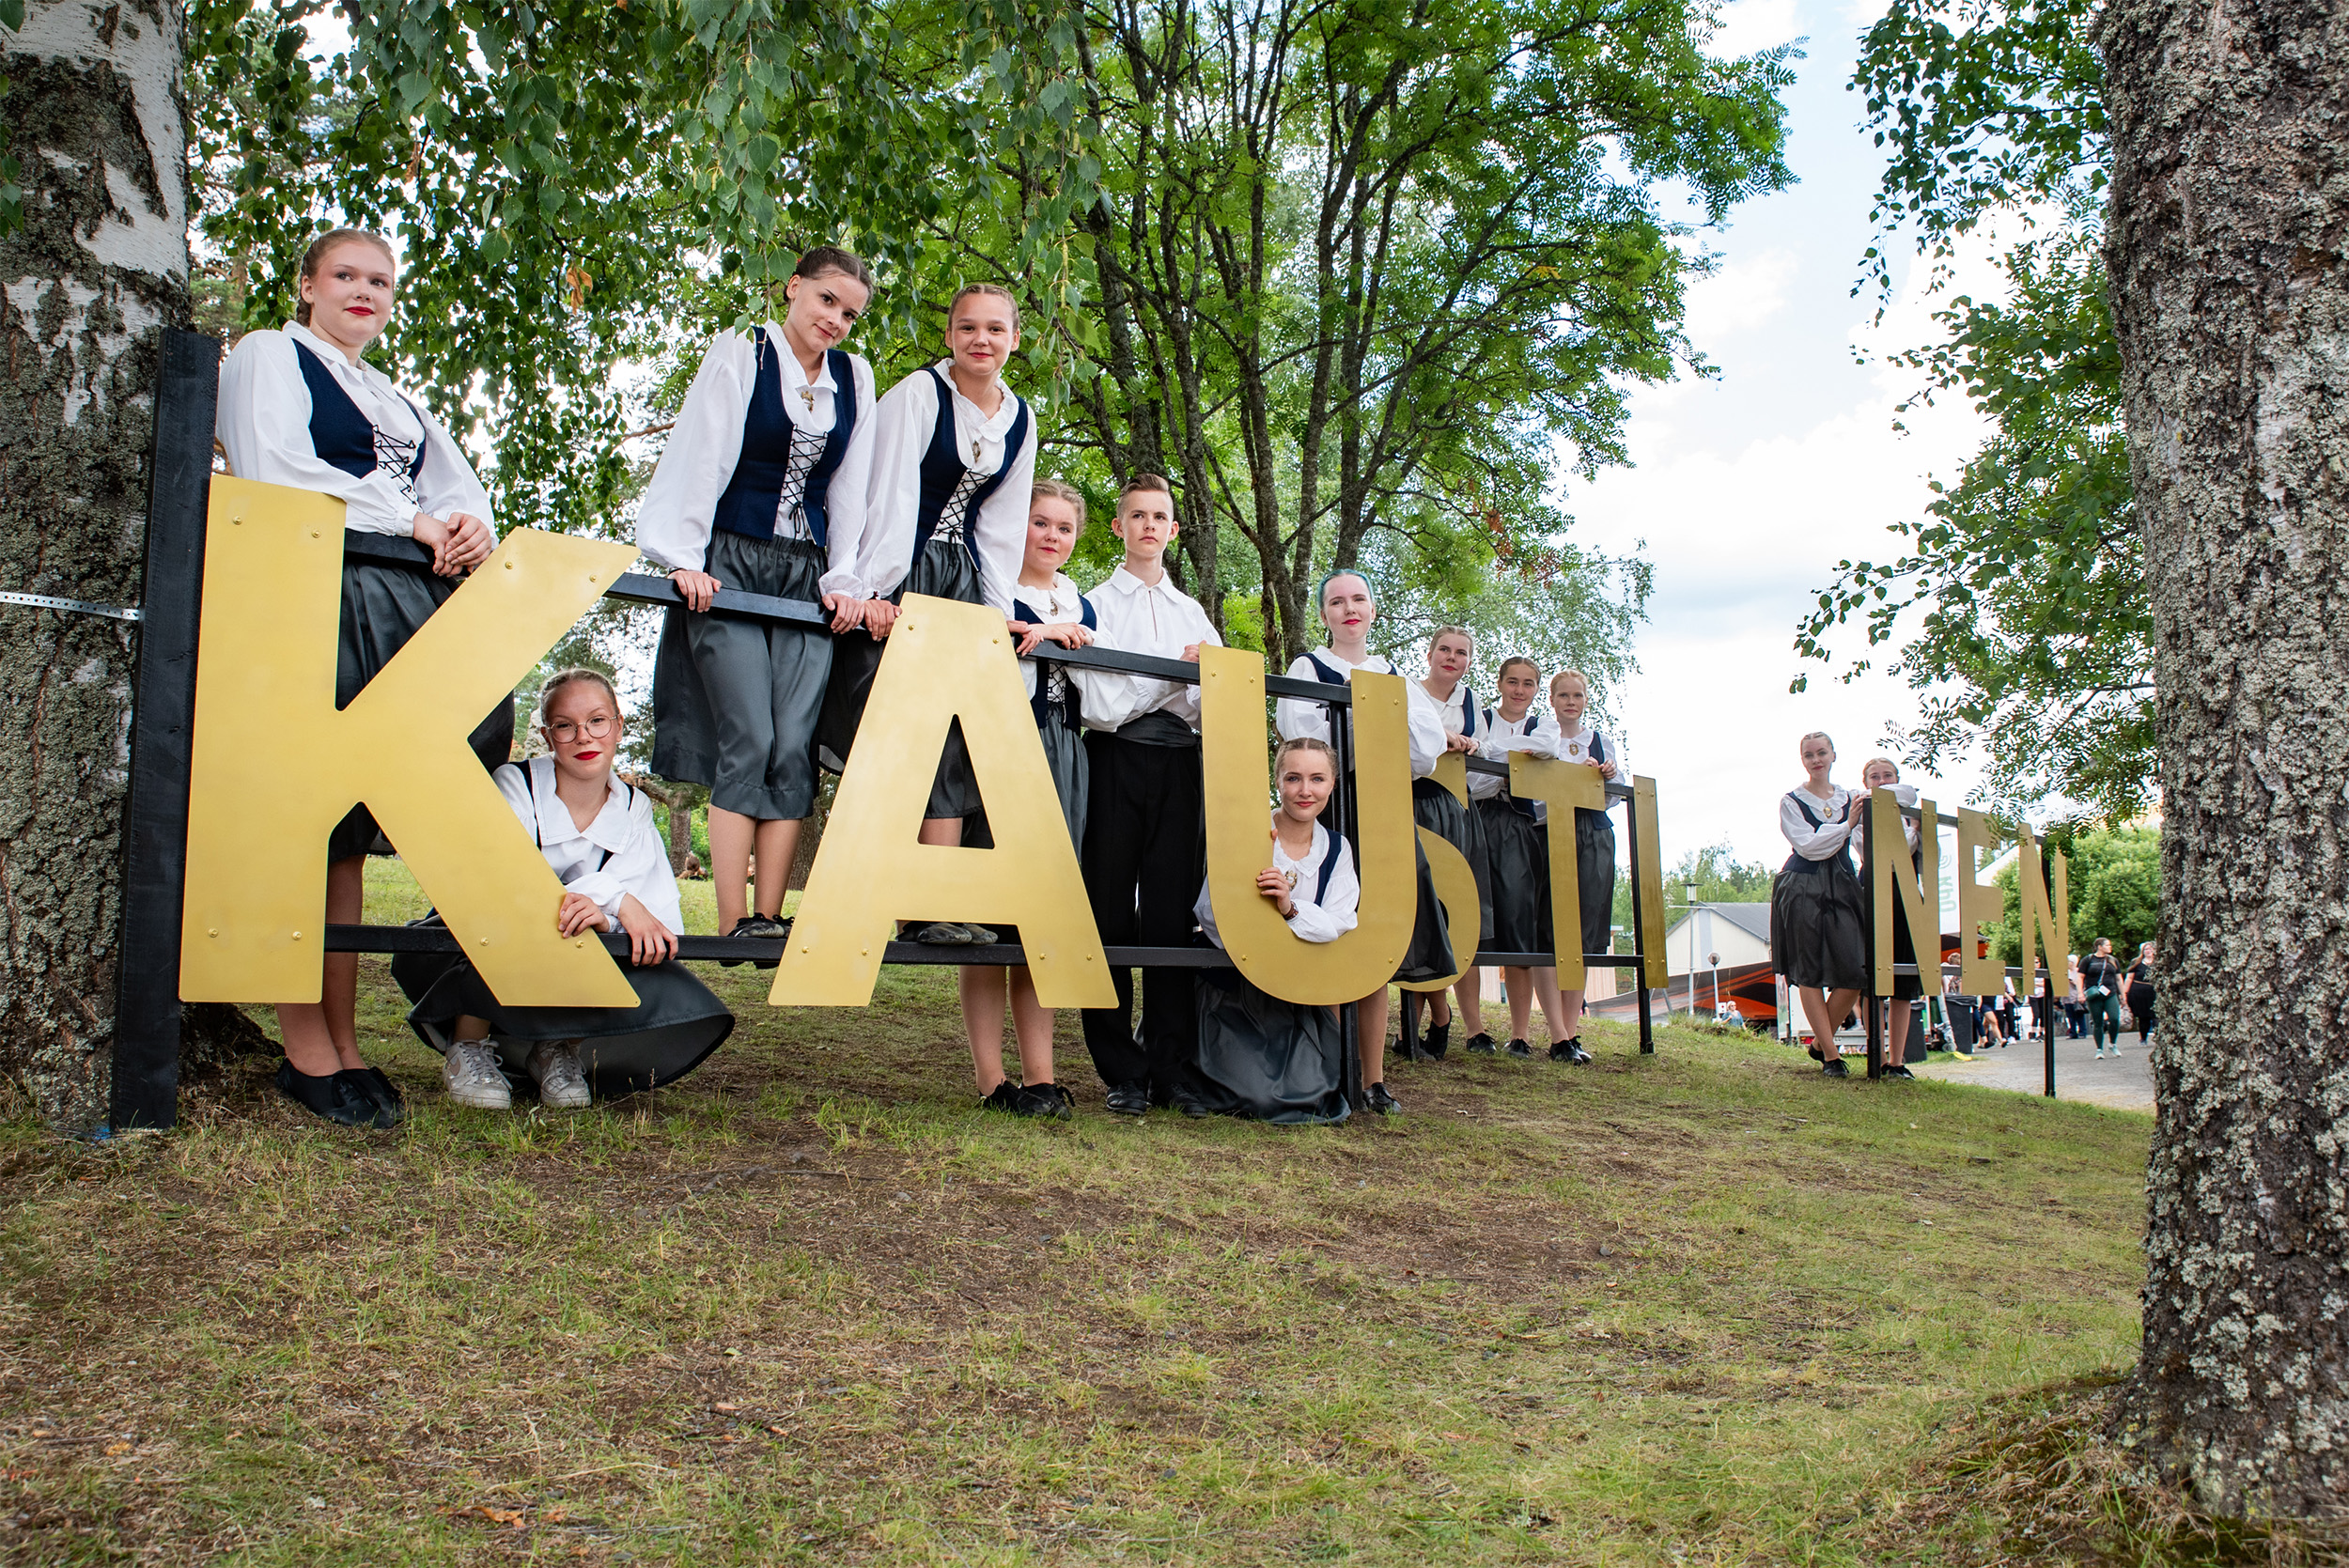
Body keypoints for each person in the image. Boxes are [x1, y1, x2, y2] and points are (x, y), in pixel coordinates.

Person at [215, 227, 510, 1130]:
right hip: (314, 590)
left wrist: (462, 529)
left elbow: (462, 492)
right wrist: (412, 520)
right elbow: (276, 471)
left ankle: (342, 1039)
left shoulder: (394, 399)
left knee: (344, 834)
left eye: (380, 281)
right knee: (304, 817)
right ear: (306, 284)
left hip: (397, 603)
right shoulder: (269, 355)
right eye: (345, 274)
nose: (364, 291)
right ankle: (306, 1045)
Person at [637, 246, 879, 958]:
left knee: (793, 744)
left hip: (805, 572)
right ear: (793, 288)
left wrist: (844, 580)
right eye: (827, 301)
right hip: (732, 559)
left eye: (850, 313)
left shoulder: (855, 378)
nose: (836, 320)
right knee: (751, 733)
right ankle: (731, 916)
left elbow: (850, 490)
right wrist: (686, 558)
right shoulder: (745, 352)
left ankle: (770, 918)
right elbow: (700, 454)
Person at [391, 671, 736, 1108]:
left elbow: (652, 912)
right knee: (505, 923)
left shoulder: (634, 806)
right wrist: (613, 897)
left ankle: (557, 1048)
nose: (584, 737)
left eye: (597, 721)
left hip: (570, 943)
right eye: (565, 726)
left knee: (606, 933)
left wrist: (609, 909)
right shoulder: (516, 784)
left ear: (618, 725)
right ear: (547, 735)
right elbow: (506, 881)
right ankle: (468, 1045)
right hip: (487, 938)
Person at [830, 282, 1037, 945]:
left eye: (995, 329)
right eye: (968, 327)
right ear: (949, 336)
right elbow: (885, 495)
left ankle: (934, 906)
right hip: (906, 567)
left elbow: (1003, 525)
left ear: (1013, 339)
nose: (982, 339)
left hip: (966, 580)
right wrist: (874, 588)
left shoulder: (1020, 417)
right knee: (899, 730)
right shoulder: (919, 394)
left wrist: (999, 611)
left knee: (955, 734)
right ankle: (870, 897)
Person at [1275, 570, 1453, 1115]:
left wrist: (1357, 726)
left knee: (1375, 940)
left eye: (1358, 599)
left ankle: (1372, 1078)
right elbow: (1304, 739)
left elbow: (1426, 749)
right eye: (1336, 601)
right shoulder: (1308, 667)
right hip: (1332, 809)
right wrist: (1372, 731)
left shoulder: (1394, 676)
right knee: (1329, 934)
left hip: (1385, 813)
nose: (1348, 608)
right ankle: (1331, 1068)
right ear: (1324, 613)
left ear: (1373, 610)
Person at [957, 479, 1103, 1119]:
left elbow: (1096, 668)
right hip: (1000, 743)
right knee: (992, 914)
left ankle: (1042, 1075)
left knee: (1044, 911)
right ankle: (992, 1077)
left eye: (1064, 527)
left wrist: (1064, 631)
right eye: (1039, 521)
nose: (1051, 535)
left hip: (1064, 749)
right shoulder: (986, 585)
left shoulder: (1080, 601)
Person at [1077, 476, 1222, 1118]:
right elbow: (1101, 706)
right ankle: (1121, 1072)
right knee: (1106, 908)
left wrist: (1165, 680)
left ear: (1173, 529)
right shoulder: (1092, 605)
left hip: (1180, 765)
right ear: (1118, 526)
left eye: (1159, 516)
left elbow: (1213, 702)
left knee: (1171, 913)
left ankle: (1170, 1068)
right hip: (1114, 759)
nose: (1148, 525)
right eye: (1137, 514)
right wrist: (1170, 680)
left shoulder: (1193, 612)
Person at [1186, 737, 1359, 1124]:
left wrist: (1290, 909)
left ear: (1332, 784)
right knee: (1259, 1097)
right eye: (1293, 778)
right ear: (1277, 781)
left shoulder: (1337, 848)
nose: (1305, 790)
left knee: (1312, 1093)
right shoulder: (1249, 832)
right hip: (1231, 991)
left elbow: (1340, 919)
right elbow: (1212, 912)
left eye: (1317, 779)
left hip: (1296, 993)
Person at [1469, 657, 1573, 1057]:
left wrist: (1493, 751)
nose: (1518, 690)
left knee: (1518, 924)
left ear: (1535, 690)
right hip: (1476, 819)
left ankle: (1520, 1033)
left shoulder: (1542, 726)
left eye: (1528, 684)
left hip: (1518, 825)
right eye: (1512, 681)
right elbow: (1471, 778)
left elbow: (1547, 747)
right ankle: (1475, 1029)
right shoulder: (1478, 716)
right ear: (1499, 683)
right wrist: (1513, 757)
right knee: (1473, 921)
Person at [1399, 626, 1492, 1060]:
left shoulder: (1474, 706)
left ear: (1469, 661)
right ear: (1430, 653)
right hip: (1409, 800)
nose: (1452, 658)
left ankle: (1451, 1023)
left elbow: (1487, 770)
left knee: (1450, 910)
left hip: (1453, 808)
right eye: (1444, 650)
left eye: (1461, 653)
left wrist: (1472, 747)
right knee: (1415, 906)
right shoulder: (1406, 690)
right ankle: (1432, 1017)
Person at [1768, 732, 1867, 1078]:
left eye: (1822, 753)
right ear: (1802, 760)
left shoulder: (1851, 797)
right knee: (1808, 969)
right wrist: (1845, 825)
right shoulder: (1792, 801)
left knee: (1856, 969)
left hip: (1841, 884)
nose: (1816, 760)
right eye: (1809, 755)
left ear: (1834, 755)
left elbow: (1898, 796)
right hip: (1802, 885)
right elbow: (1808, 846)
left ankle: (1818, 1044)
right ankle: (1831, 1055)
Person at [1543, 670, 1622, 1065]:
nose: (1570, 702)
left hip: (1592, 833)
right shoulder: (1542, 735)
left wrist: (1603, 777)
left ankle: (1571, 1032)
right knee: (1551, 931)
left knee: (1586, 932)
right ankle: (1556, 1031)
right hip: (1550, 831)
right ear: (1552, 700)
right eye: (1563, 696)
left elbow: (1616, 796)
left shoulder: (1600, 741)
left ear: (1585, 700)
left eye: (1577, 695)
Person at [1856, 757, 1922, 1080]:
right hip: (1872, 886)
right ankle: (1878, 1055)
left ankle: (1897, 1060)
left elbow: (1908, 794)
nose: (1881, 782)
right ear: (1865, 781)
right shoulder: (1858, 810)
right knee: (1872, 978)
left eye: (1887, 776)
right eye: (1874, 777)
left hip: (1904, 890)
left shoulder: (1905, 807)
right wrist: (1909, 836)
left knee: (1904, 979)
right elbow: (1869, 849)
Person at [2080, 937, 2125, 1057]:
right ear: (2099, 947)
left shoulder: (2112, 960)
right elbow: (2080, 977)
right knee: (2098, 1022)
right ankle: (2099, 1049)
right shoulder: (2088, 960)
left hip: (2110, 993)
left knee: (2115, 1019)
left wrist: (2123, 994)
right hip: (2094, 994)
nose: (2110, 947)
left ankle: (2112, 1044)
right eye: (2107, 945)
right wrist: (2080, 993)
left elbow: (2118, 978)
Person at [2127, 940, 2157, 1044]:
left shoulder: (2159, 962)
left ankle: (2158, 1037)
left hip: (2154, 992)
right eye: (2146, 949)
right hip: (2139, 992)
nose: (2149, 951)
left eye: (2151, 949)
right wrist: (2125, 993)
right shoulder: (2136, 962)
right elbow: (2129, 978)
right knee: (2143, 1016)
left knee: (2156, 1015)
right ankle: (2143, 1038)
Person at [2064, 957, 2088, 1038]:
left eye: (2068, 961)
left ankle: (2082, 1032)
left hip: (2076, 996)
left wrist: (2070, 980)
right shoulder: (2065, 972)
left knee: (2079, 1015)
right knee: (2070, 1016)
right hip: (2067, 997)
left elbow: (2078, 983)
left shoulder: (2078, 971)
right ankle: (2072, 1032)